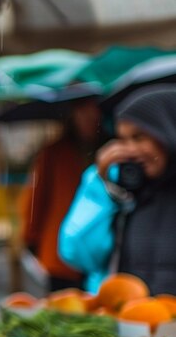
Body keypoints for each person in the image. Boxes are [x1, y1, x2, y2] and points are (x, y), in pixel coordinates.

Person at [60, 85, 176, 295]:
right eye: (122, 139)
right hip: (129, 321)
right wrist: (103, 187)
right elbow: (78, 254)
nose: (129, 150)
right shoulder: (122, 186)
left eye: (139, 137)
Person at [18, 97, 101, 292]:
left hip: (100, 252)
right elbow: (36, 199)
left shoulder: (110, 150)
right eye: (82, 111)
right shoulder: (53, 152)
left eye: (93, 110)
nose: (88, 117)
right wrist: (30, 237)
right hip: (59, 252)